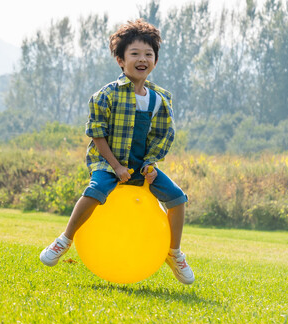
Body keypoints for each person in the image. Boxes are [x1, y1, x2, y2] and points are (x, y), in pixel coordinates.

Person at [39, 19, 194, 284]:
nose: (142, 59)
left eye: (148, 54)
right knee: (96, 191)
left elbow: (161, 136)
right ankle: (65, 239)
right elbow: (97, 134)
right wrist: (116, 167)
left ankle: (173, 252)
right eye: (134, 54)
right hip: (109, 164)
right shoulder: (106, 95)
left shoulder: (159, 99)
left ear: (155, 59)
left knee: (178, 198)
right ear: (121, 60)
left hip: (141, 166)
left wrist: (150, 164)